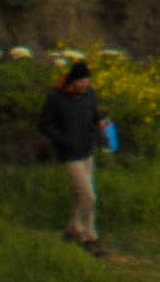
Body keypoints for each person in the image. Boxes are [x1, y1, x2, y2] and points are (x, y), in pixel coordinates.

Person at [38, 57, 109, 251]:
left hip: (87, 150)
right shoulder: (56, 97)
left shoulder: (90, 95)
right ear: (73, 81)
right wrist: (62, 139)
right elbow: (44, 124)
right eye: (81, 81)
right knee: (89, 196)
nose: (85, 85)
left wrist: (101, 123)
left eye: (87, 81)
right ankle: (89, 237)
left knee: (81, 193)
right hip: (69, 154)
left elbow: (95, 114)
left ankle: (72, 228)